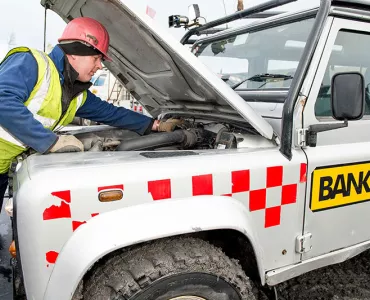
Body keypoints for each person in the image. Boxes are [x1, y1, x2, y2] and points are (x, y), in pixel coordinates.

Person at [0, 17, 182, 212]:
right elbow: (3, 100)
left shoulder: (74, 93)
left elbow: (112, 113)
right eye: (96, 59)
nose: (100, 66)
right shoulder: (33, 63)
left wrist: (155, 125)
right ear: (74, 53)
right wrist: (50, 142)